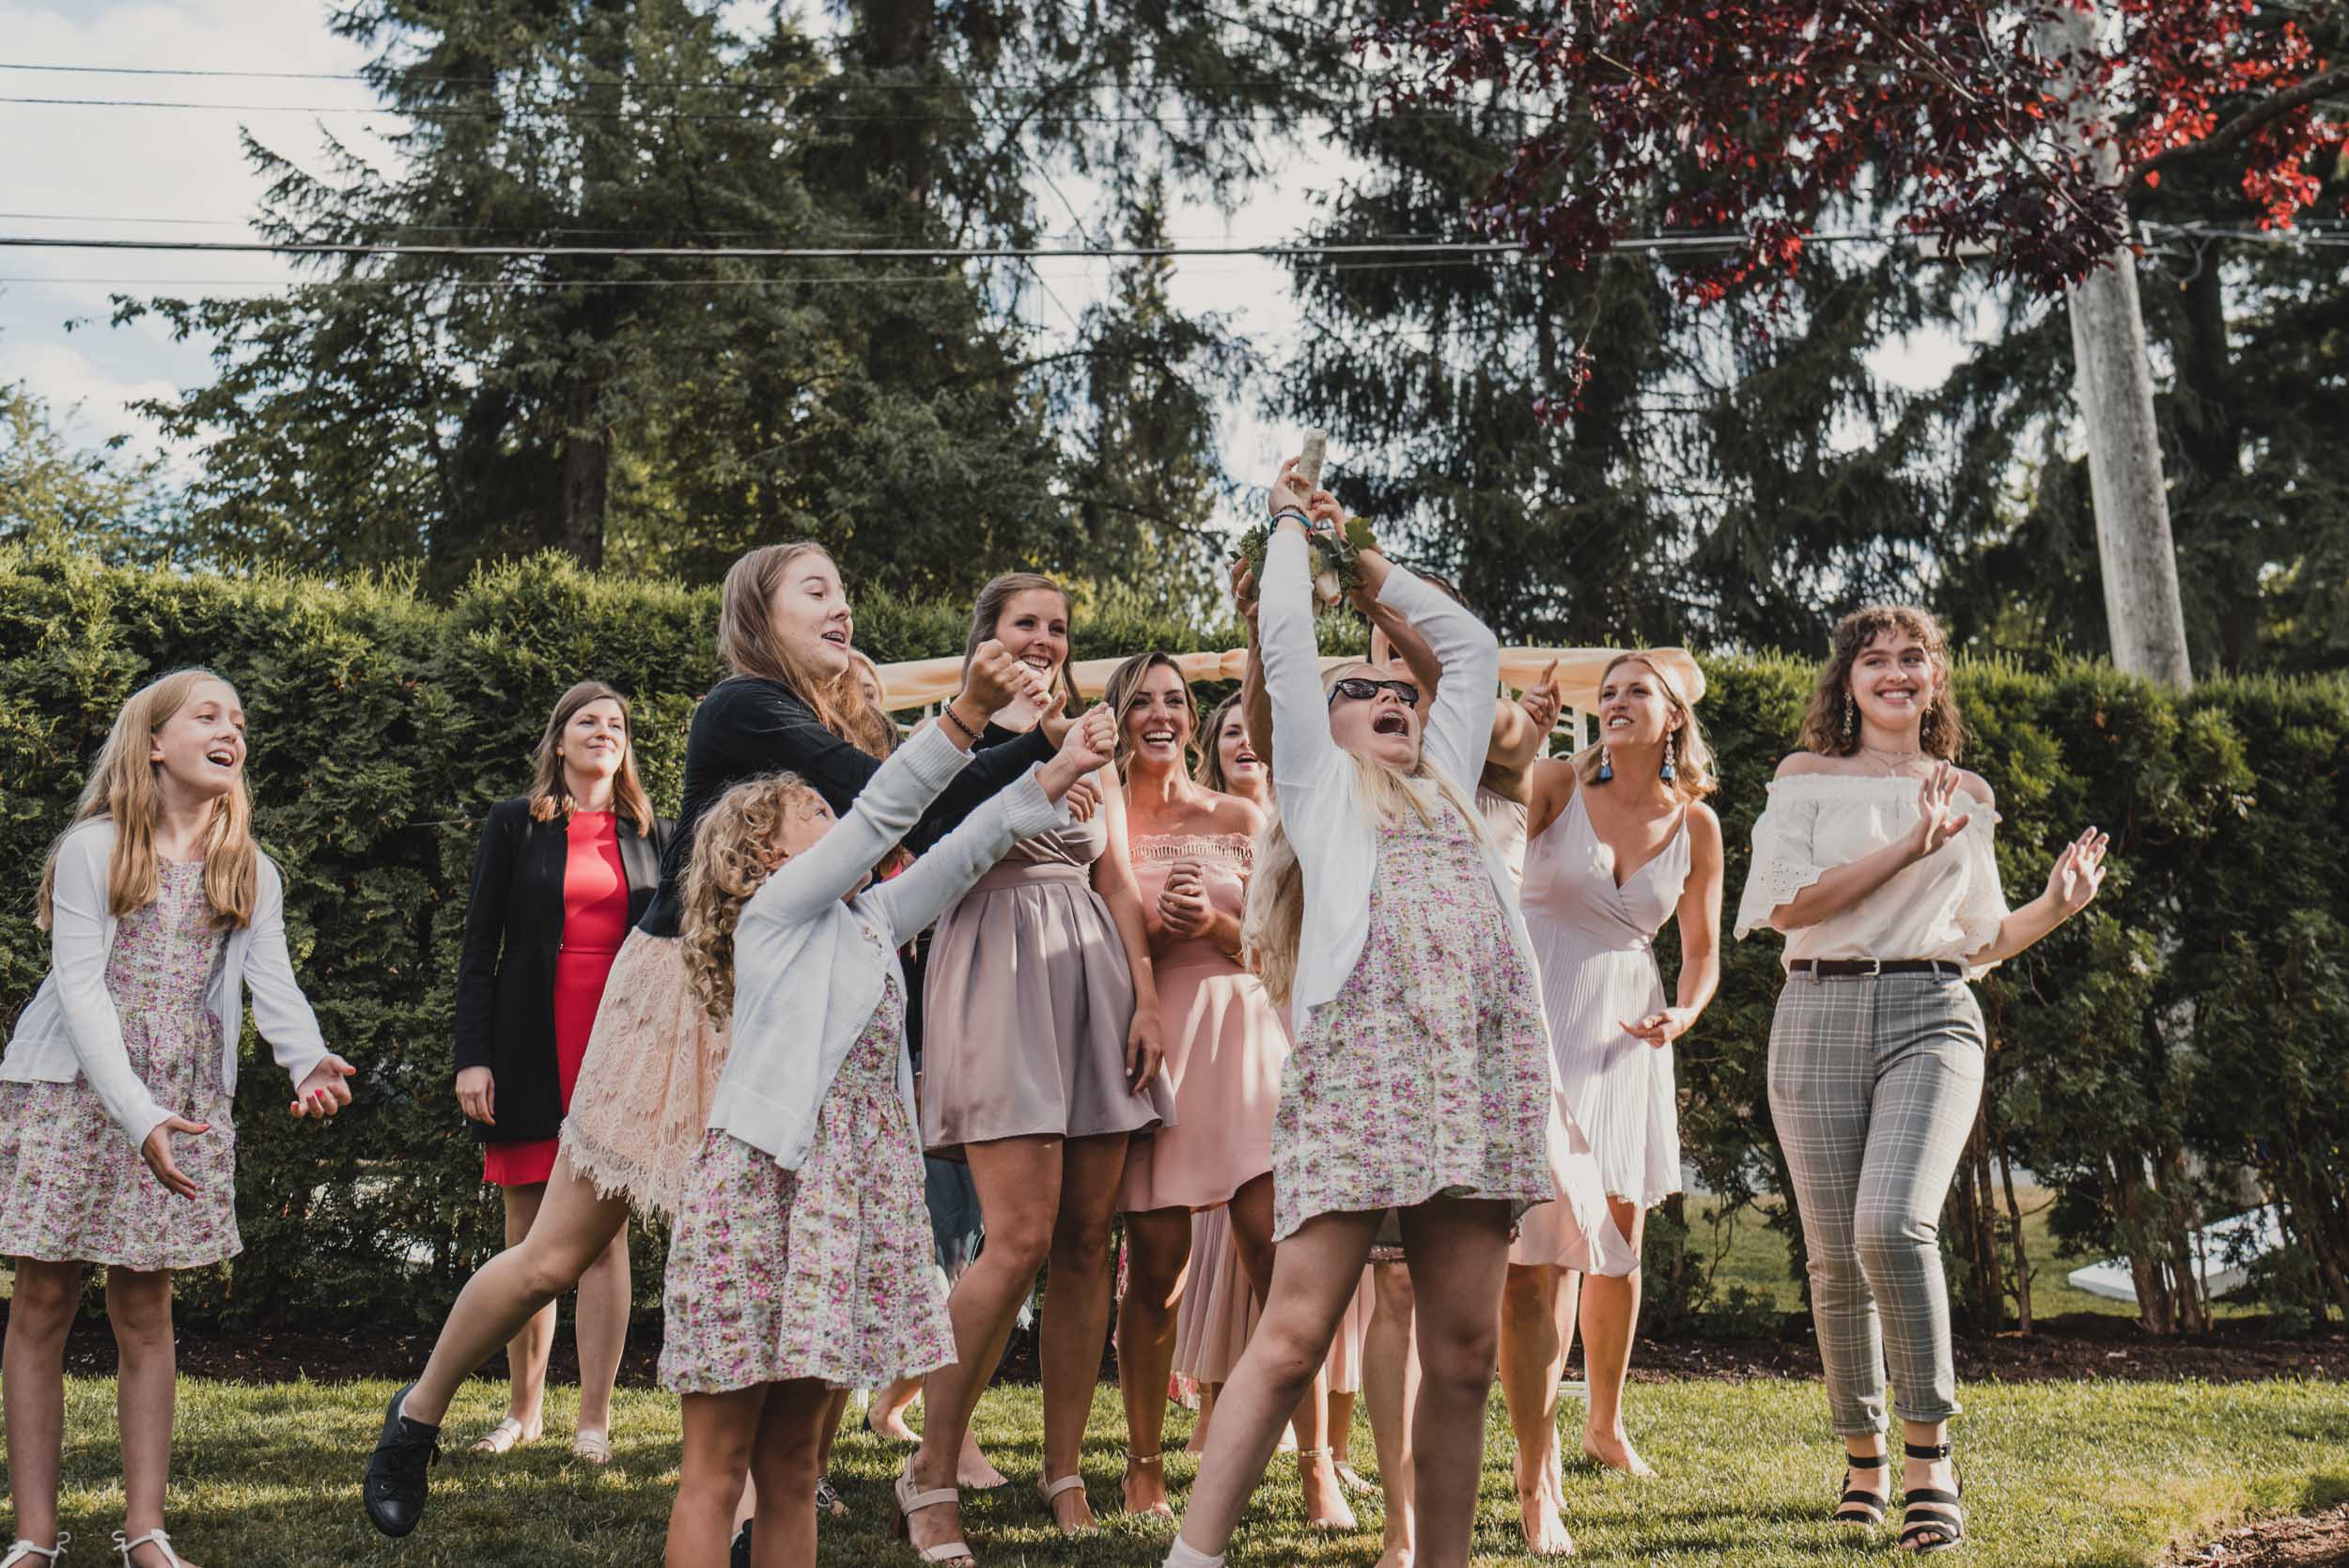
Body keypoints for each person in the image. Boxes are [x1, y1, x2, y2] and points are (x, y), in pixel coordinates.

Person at [364, 542, 1066, 1542]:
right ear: (757, 613)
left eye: (845, 589)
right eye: (815, 589)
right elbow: (896, 807)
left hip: (786, 1008)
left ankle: (754, 1506)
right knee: (556, 1254)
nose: (843, 605)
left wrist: (1044, 746)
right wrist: (999, 734)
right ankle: (417, 1413)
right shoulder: (743, 707)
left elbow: (924, 817)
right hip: (680, 999)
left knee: (775, 1254)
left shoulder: (825, 721)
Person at [1163, 463, 1563, 1568]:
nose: (1385, 695)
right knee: (1291, 1335)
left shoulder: (1450, 788)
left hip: (1477, 1080)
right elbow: (1288, 650)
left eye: (1394, 688)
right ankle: (1190, 1558)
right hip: (1363, 1081)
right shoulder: (1323, 798)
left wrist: (1366, 564)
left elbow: (1470, 649)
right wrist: (1293, 531)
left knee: (1467, 1350)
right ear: (1313, 731)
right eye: (1356, 692)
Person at [660, 668, 1117, 1568]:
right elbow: (884, 815)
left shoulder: (867, 918)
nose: (844, 819)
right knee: (717, 1467)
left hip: (835, 1216)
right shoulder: (777, 916)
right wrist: (968, 714)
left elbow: (964, 851)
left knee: (792, 1461)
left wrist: (1055, 774)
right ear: (763, 858)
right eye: (818, 817)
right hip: (757, 1208)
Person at [1737, 605, 2108, 1555]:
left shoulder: (1967, 790)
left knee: (1892, 1224)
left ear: (1934, 680)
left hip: (1933, 1014)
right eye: (1875, 661)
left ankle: (1927, 1457)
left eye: (1913, 659)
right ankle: (1862, 1457)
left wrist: (2054, 908)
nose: (1896, 672)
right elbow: (1789, 905)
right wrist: (1908, 841)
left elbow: (1979, 942)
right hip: (1815, 1011)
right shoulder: (1804, 777)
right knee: (1831, 1257)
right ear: (1847, 682)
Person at [0, 669, 355, 1568]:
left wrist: (305, 1055)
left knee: (145, 1305)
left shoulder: (249, 868)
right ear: (153, 742)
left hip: (183, 1097)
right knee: (41, 1297)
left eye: (239, 718)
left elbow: (272, 982)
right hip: (80, 1088)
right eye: (208, 714)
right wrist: (137, 1112)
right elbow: (80, 994)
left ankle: (144, 1529)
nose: (231, 727)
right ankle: (34, 1535)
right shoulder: (94, 849)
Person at [905, 574, 1174, 1552]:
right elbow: (931, 843)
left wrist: (1144, 998)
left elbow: (1118, 877)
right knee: (1014, 1237)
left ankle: (1064, 1469)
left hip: (1090, 982)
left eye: (1059, 627)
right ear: (986, 637)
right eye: (1026, 624)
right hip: (992, 969)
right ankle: (931, 1465)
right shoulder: (960, 734)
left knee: (1087, 1241)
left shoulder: (1092, 736)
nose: (1046, 640)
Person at [1101, 655, 1349, 1529]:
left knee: (1281, 1262)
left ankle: (1318, 1465)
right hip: (1151, 1042)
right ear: (1119, 716)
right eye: (1143, 702)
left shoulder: (1241, 814)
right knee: (1156, 1271)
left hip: (1246, 1042)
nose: (1161, 714)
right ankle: (1143, 1466)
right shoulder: (1102, 814)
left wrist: (1215, 923)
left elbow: (1288, 944)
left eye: (1175, 700)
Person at [1495, 653, 1723, 1552]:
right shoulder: (1554, 784)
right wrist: (1523, 722)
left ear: (1673, 721)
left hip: (1629, 1034)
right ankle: (1534, 1465)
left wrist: (1689, 1009)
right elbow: (1485, 819)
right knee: (1543, 1250)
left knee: (1617, 1238)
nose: (1619, 701)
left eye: (1639, 692)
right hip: (1539, 1023)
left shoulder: (1698, 826)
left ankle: (1604, 1421)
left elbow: (1702, 946)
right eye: (1611, 691)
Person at [452, 681, 669, 1463]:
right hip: (527, 1041)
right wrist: (471, 1056)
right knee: (528, 1233)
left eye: (616, 722)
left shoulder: (652, 830)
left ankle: (595, 1419)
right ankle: (524, 1410)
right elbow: (479, 949)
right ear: (560, 737)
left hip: (621, 1049)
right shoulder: (516, 822)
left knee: (605, 1241)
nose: (603, 731)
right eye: (588, 720)